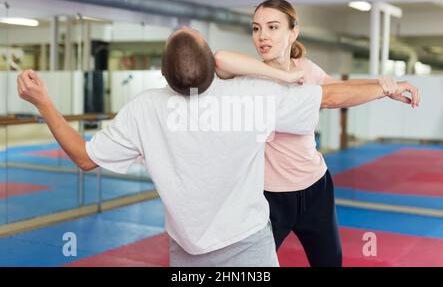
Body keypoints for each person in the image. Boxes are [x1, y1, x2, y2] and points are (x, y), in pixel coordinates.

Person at [17, 26, 419, 267]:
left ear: (162, 73)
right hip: (249, 247)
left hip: (188, 253)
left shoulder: (145, 109)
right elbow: (329, 97)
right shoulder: (250, 98)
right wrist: (386, 86)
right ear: (214, 65)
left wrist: (44, 103)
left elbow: (85, 158)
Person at [214, 0, 420, 267]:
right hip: (268, 197)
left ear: (293, 33)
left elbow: (338, 92)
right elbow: (219, 60)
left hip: (315, 189)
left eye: (273, 27)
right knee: (249, 267)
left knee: (330, 263)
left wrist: (384, 89)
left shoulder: (308, 70)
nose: (262, 36)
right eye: (256, 28)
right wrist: (282, 76)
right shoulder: (248, 77)